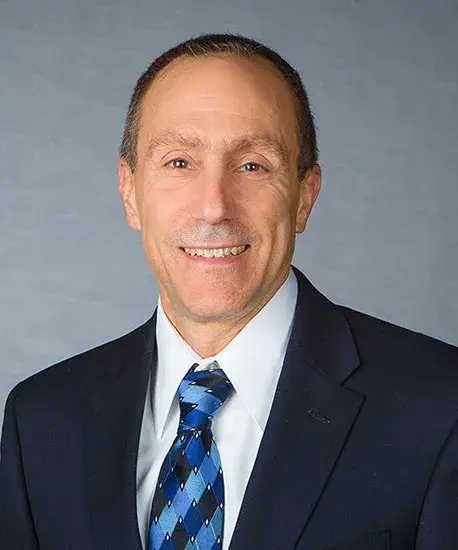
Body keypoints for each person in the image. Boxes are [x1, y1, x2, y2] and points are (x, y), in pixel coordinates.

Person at [1, 32, 457, 550]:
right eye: (179, 162)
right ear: (130, 192)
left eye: (252, 165)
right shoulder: (41, 420)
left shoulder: (441, 407)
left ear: (305, 197)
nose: (214, 207)